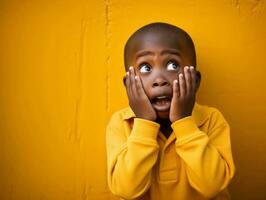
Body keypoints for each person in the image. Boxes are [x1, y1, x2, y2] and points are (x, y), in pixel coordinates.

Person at [106, 22, 235, 200]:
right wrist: (144, 123)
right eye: (146, 68)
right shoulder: (121, 123)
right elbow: (126, 190)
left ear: (195, 81)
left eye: (173, 65)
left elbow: (212, 186)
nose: (159, 80)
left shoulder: (211, 119)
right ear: (129, 84)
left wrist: (184, 122)